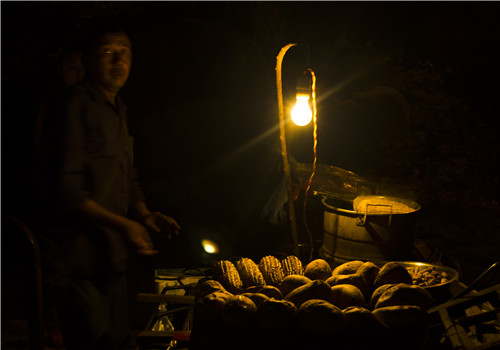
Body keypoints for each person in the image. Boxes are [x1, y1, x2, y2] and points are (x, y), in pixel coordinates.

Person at [51, 25, 181, 350]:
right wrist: (125, 225)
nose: (118, 60)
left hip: (112, 258)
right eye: (108, 52)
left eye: (125, 52)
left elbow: (127, 173)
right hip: (77, 262)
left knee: (122, 342)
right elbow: (68, 190)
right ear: (91, 60)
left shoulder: (118, 108)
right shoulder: (75, 105)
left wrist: (144, 214)